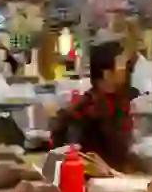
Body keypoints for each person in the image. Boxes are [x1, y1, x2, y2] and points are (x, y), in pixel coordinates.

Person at [51, 40, 135, 171]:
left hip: (117, 180)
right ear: (107, 74)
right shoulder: (86, 111)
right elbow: (76, 157)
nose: (125, 68)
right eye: (120, 64)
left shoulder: (119, 102)